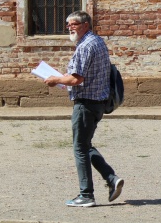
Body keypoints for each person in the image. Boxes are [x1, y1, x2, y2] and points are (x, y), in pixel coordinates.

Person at [43, 11, 124, 208]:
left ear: (86, 25)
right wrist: (65, 78)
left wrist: (55, 79)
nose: (70, 28)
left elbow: (76, 79)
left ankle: (86, 194)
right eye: (68, 25)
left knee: (80, 147)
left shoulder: (86, 46)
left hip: (86, 103)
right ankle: (111, 178)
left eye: (74, 24)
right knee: (85, 144)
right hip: (97, 102)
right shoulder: (97, 42)